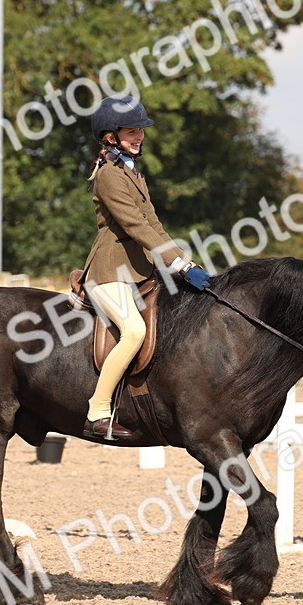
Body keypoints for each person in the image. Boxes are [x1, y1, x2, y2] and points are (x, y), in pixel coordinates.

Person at [79, 95, 210, 441]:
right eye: (131, 130)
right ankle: (97, 410)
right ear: (110, 135)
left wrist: (185, 260)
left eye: (140, 130)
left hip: (140, 270)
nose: (139, 136)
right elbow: (135, 226)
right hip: (110, 271)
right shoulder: (109, 175)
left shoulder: (133, 173)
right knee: (134, 331)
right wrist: (177, 265)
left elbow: (154, 224)